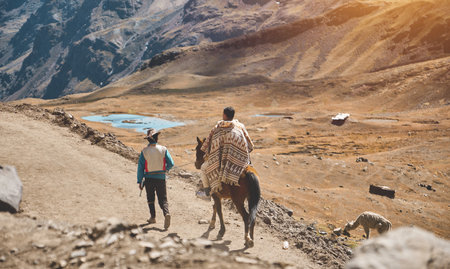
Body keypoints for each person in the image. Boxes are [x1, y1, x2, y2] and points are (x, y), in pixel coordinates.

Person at [196, 106, 253, 200]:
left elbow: (208, 145)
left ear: (224, 115)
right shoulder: (240, 126)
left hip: (221, 160)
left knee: (203, 168)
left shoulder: (218, 128)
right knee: (250, 167)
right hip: (239, 160)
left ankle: (207, 193)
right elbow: (249, 145)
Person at [137, 128, 174, 229]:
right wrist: (164, 169)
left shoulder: (144, 151)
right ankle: (166, 213)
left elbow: (140, 167)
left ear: (148, 140)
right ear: (157, 138)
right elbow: (171, 163)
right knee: (163, 199)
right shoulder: (163, 149)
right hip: (161, 178)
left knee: (150, 198)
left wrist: (139, 181)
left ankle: (153, 217)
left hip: (148, 178)